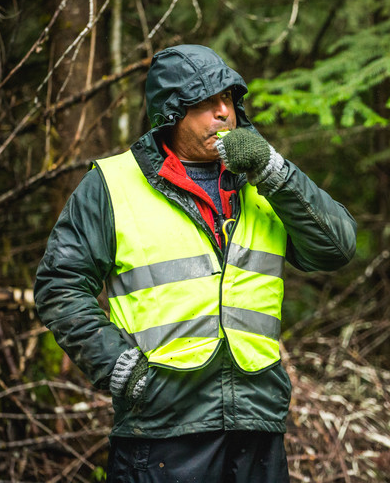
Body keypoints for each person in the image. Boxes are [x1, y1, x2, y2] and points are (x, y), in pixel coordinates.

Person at [34, 44, 357, 482]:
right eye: (205, 103)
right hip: (161, 430)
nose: (223, 113)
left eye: (228, 100)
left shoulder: (263, 178)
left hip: (257, 427)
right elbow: (59, 286)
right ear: (171, 114)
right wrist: (118, 368)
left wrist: (276, 172)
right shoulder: (111, 185)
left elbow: (336, 248)